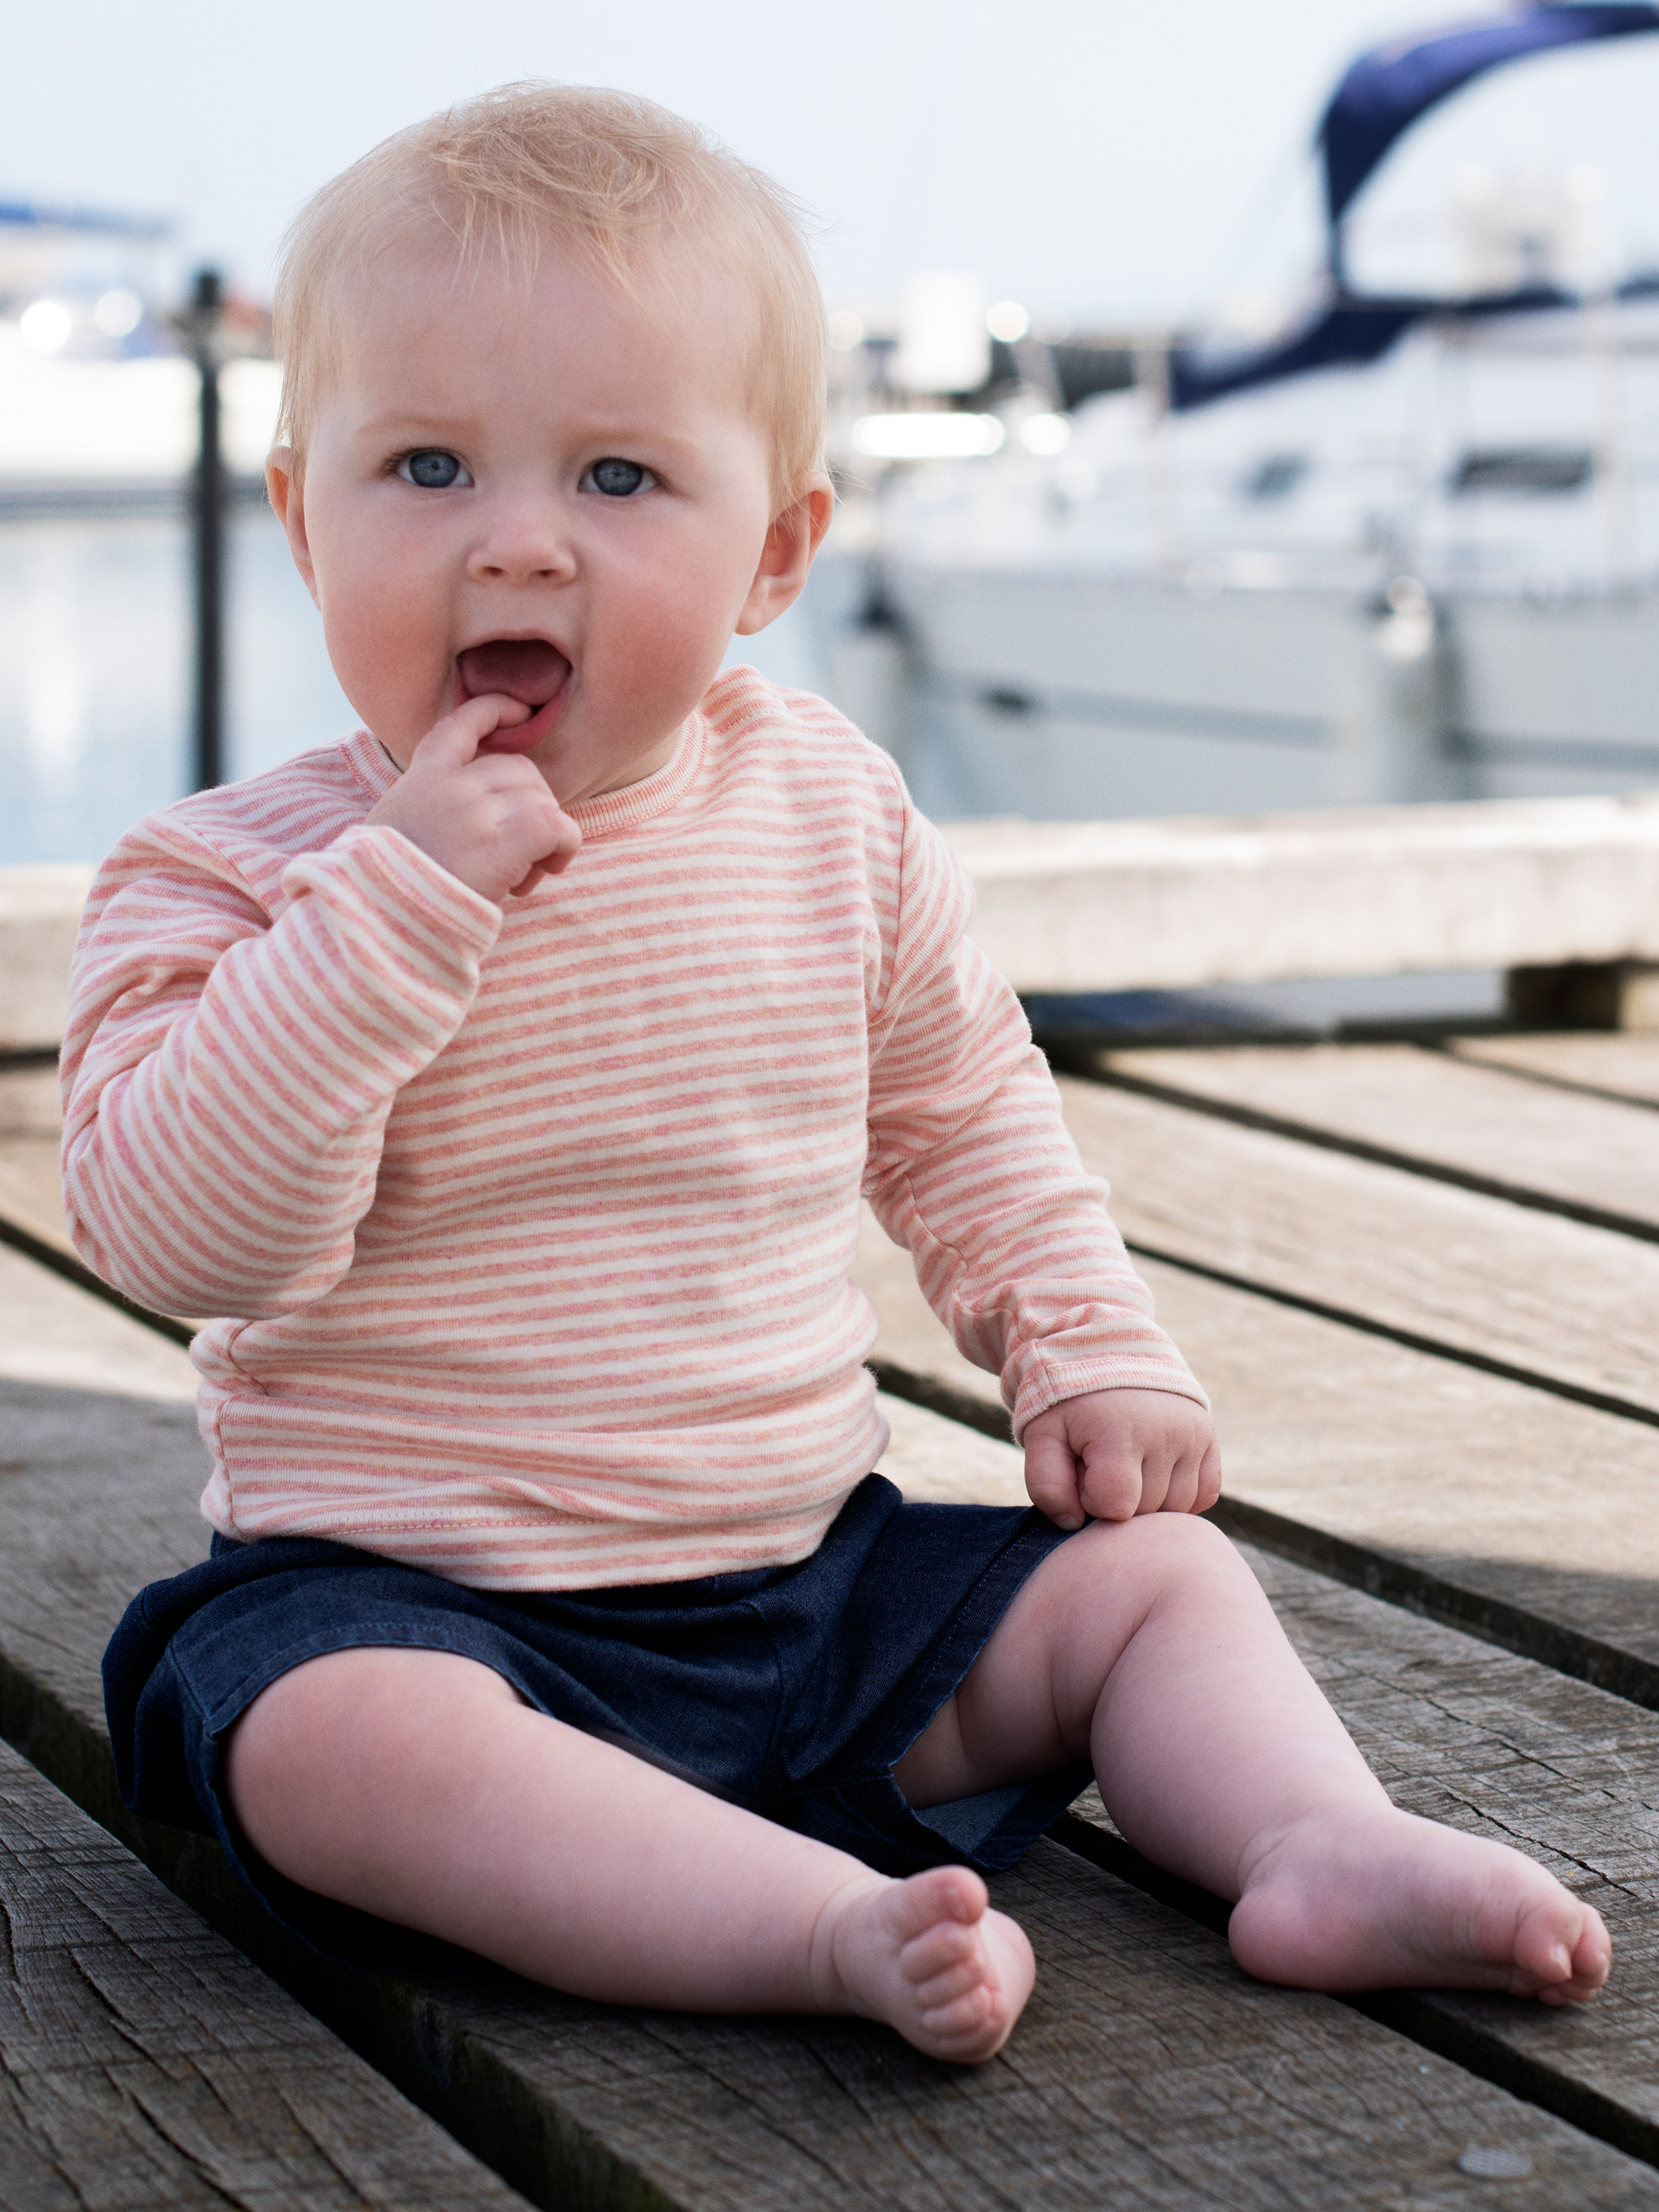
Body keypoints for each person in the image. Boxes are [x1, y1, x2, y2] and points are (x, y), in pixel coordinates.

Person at [67, 86, 1608, 2064]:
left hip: (809, 1585)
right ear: (303, 516)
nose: (517, 539)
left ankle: (1313, 1835)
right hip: (415, 1603)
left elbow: (965, 1115)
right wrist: (391, 908)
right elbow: (192, 1241)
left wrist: (1086, 1344)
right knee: (323, 1740)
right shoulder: (226, 878)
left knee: (1154, 1580)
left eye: (620, 475)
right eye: (427, 465)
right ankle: (807, 1921)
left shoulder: (825, 811)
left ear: (777, 550)